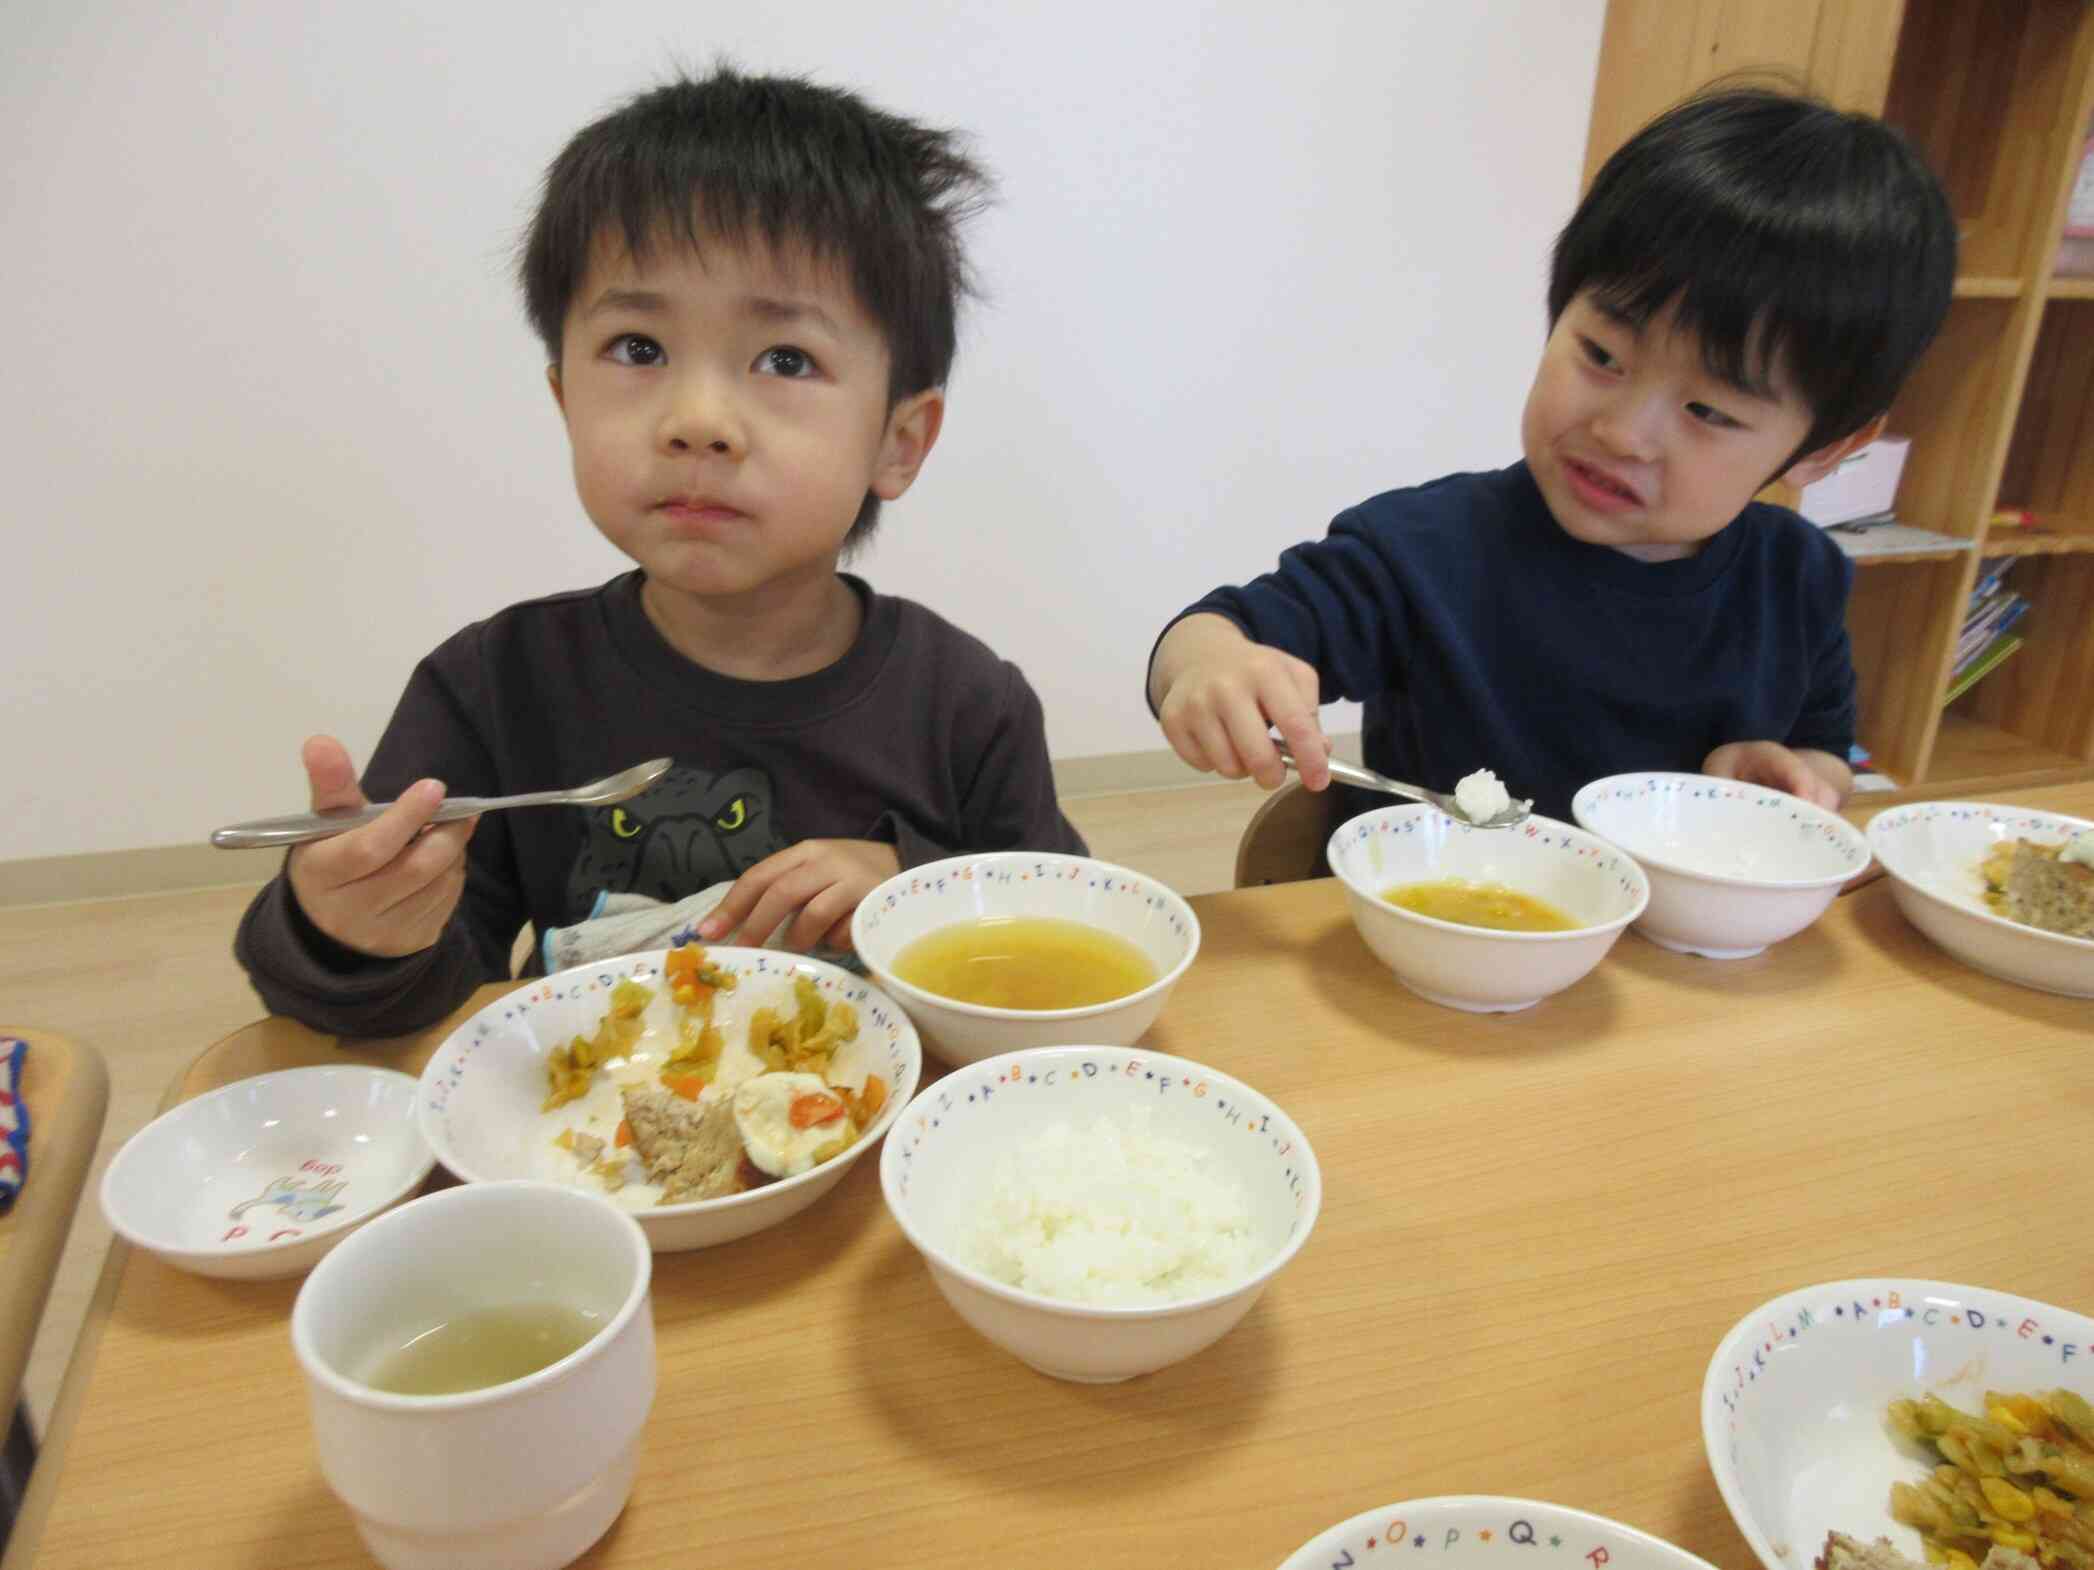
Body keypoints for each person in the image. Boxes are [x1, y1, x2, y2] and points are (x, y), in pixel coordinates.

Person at [236, 67, 1085, 1036]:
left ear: (899, 442)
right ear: (565, 400)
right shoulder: (495, 686)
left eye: (785, 359)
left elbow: (1059, 923)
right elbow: (412, 999)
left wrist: (915, 890)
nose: (697, 420)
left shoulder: (969, 704)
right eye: (639, 348)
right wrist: (346, 928)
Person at [1146, 86, 1956, 825]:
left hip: (1665, 953)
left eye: (1707, 409)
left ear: (1828, 448)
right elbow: (1214, 633)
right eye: (1602, 355)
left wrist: (1791, 775)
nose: (1622, 432)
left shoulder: (1800, 576)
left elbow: (1825, 748)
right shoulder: (1425, 549)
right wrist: (1209, 668)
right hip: (1432, 939)